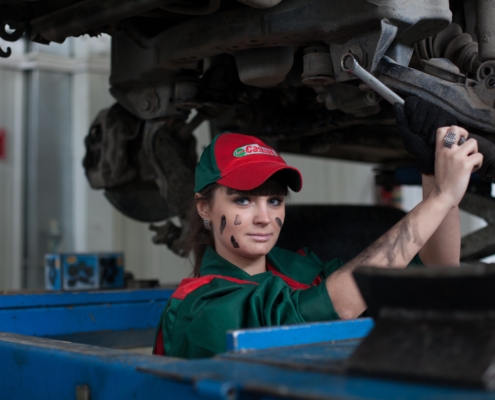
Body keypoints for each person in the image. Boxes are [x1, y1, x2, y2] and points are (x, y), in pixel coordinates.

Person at [152, 100, 483, 359]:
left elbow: (434, 272)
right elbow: (320, 311)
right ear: (205, 207)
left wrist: (431, 171)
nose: (265, 218)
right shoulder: (199, 307)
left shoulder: (297, 267)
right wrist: (441, 198)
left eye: (275, 201)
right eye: (243, 201)